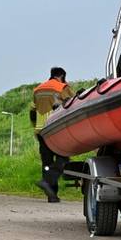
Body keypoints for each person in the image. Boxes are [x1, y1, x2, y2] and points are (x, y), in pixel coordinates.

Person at [32, 66, 75, 203]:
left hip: (41, 131)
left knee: (47, 162)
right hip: (56, 130)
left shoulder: (38, 89)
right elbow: (73, 105)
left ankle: (52, 195)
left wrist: (35, 128)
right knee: (63, 159)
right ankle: (47, 180)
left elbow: (32, 111)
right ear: (61, 75)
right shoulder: (62, 87)